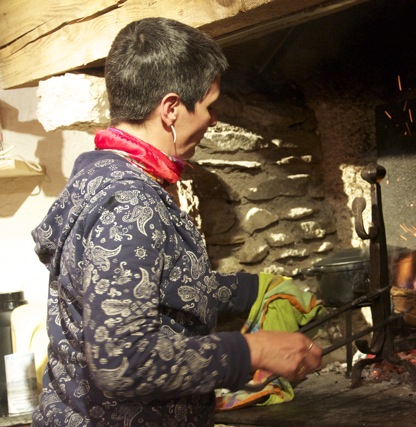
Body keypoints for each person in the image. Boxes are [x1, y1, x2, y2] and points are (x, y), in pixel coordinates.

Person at [31, 17, 322, 426]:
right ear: (170, 109)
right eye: (208, 106)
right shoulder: (129, 203)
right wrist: (252, 350)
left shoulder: (103, 175)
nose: (213, 119)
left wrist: (252, 289)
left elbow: (157, 286)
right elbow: (124, 362)